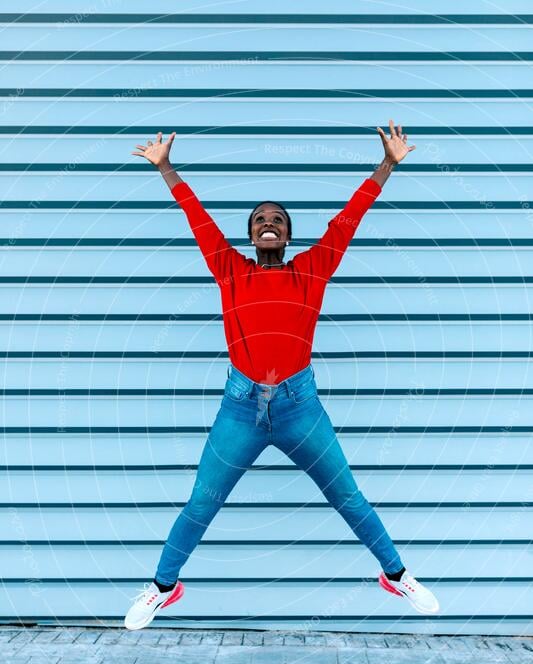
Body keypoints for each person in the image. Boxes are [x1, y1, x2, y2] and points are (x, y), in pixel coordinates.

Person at [124, 120, 440, 630]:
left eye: (277, 219)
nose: (268, 223)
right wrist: (166, 168)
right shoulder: (230, 270)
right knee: (202, 501)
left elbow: (347, 222)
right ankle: (163, 588)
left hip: (300, 408)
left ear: (288, 235)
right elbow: (198, 218)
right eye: (258, 220)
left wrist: (387, 165)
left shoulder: (311, 270)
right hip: (241, 409)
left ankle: (396, 575)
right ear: (250, 235)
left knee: (348, 496)